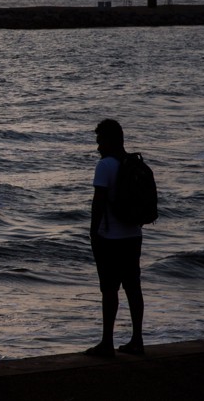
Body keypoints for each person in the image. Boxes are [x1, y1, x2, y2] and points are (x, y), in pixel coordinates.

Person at [86, 118, 145, 357]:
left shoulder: (105, 166)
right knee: (133, 287)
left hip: (110, 238)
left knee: (109, 289)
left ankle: (107, 343)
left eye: (100, 141)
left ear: (110, 141)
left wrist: (93, 233)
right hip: (134, 234)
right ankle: (137, 340)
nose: (98, 147)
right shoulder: (132, 163)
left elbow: (98, 203)